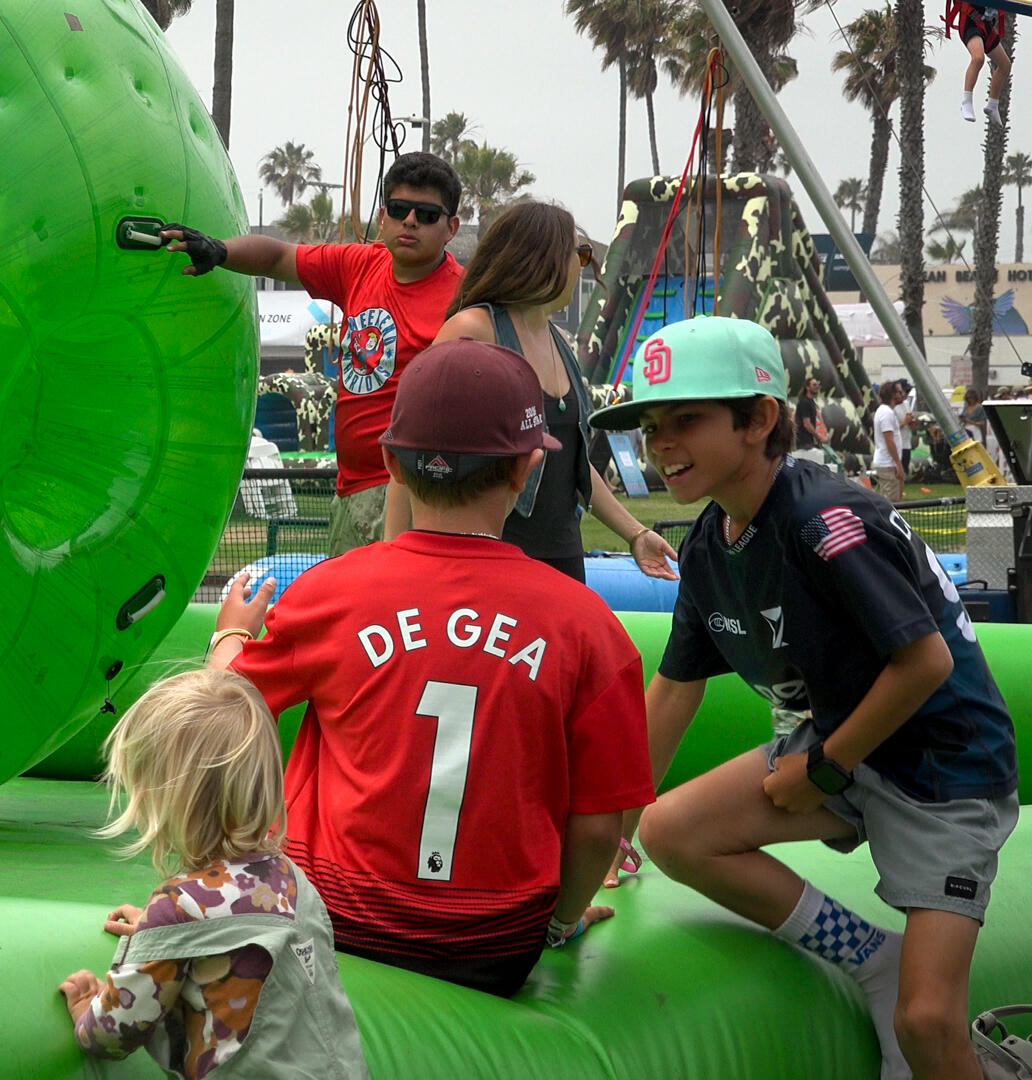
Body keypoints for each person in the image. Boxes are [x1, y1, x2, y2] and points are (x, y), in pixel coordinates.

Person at [588, 316, 1019, 1080]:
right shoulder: (710, 543)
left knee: (927, 1022)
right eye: (652, 427)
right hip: (843, 747)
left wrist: (822, 766)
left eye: (686, 419)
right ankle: (869, 960)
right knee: (673, 831)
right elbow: (672, 693)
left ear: (758, 421)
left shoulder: (824, 519)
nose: (660, 444)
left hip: (942, 767)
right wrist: (604, 838)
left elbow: (923, 661)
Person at [208, 338, 654, 997]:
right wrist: (556, 924)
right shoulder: (589, 626)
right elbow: (599, 828)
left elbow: (220, 711)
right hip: (495, 940)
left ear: (390, 460)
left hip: (327, 918)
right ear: (526, 468)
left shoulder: (331, 594)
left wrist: (229, 640)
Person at [59, 668, 369, 1079]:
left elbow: (113, 1034)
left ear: (164, 799)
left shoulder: (179, 906)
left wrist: (87, 1011)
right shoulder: (295, 881)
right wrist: (160, 937)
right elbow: (238, 941)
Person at [160, 152, 465, 555]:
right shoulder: (359, 265)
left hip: (413, 496)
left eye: (426, 214)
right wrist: (219, 250)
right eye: (398, 208)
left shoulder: (464, 298)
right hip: (348, 488)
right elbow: (279, 257)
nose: (410, 221)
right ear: (384, 214)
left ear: (451, 227)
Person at [431, 200, 679, 582]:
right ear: (541, 258)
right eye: (578, 254)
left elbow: (573, 465)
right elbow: (417, 450)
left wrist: (637, 533)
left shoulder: (559, 342)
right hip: (493, 558)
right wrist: (401, 557)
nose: (584, 266)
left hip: (562, 558)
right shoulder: (473, 330)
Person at [949, 1, 1013, 124]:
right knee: (978, 58)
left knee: (1005, 65)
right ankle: (966, 102)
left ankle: (992, 104)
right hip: (970, 22)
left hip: (986, 25)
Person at [871, 379, 910, 502]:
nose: (902, 394)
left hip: (889, 462)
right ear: (892, 394)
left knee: (897, 499)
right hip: (887, 464)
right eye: (899, 392)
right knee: (892, 502)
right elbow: (889, 441)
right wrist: (898, 465)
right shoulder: (886, 413)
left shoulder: (887, 412)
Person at [793, 374, 831, 465]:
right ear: (807, 387)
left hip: (808, 442)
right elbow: (807, 424)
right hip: (804, 443)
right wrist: (819, 436)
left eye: (817, 384)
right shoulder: (804, 402)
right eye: (814, 385)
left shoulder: (811, 402)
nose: (817, 386)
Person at [963, 385, 989, 450]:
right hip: (966, 429)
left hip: (975, 430)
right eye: (968, 398)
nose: (969, 400)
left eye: (971, 398)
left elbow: (982, 422)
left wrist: (971, 422)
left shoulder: (979, 408)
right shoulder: (966, 408)